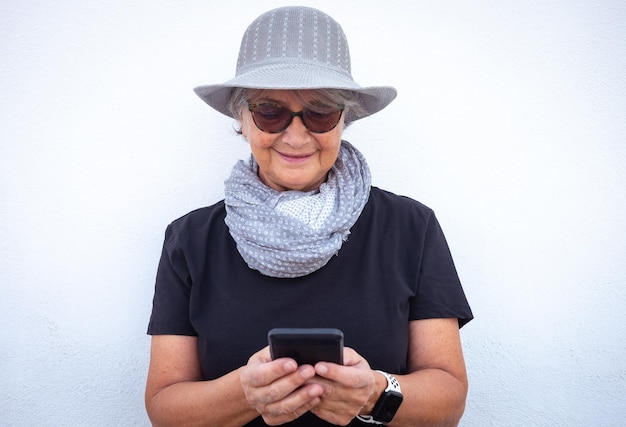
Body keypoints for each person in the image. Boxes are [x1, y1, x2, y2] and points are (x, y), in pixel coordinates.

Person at [145, 6, 473, 427]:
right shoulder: (190, 240)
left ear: (343, 120)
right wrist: (244, 392)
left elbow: (449, 401)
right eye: (269, 111)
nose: (296, 136)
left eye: (320, 112)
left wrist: (373, 393)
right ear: (241, 118)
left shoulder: (411, 228)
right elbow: (164, 409)